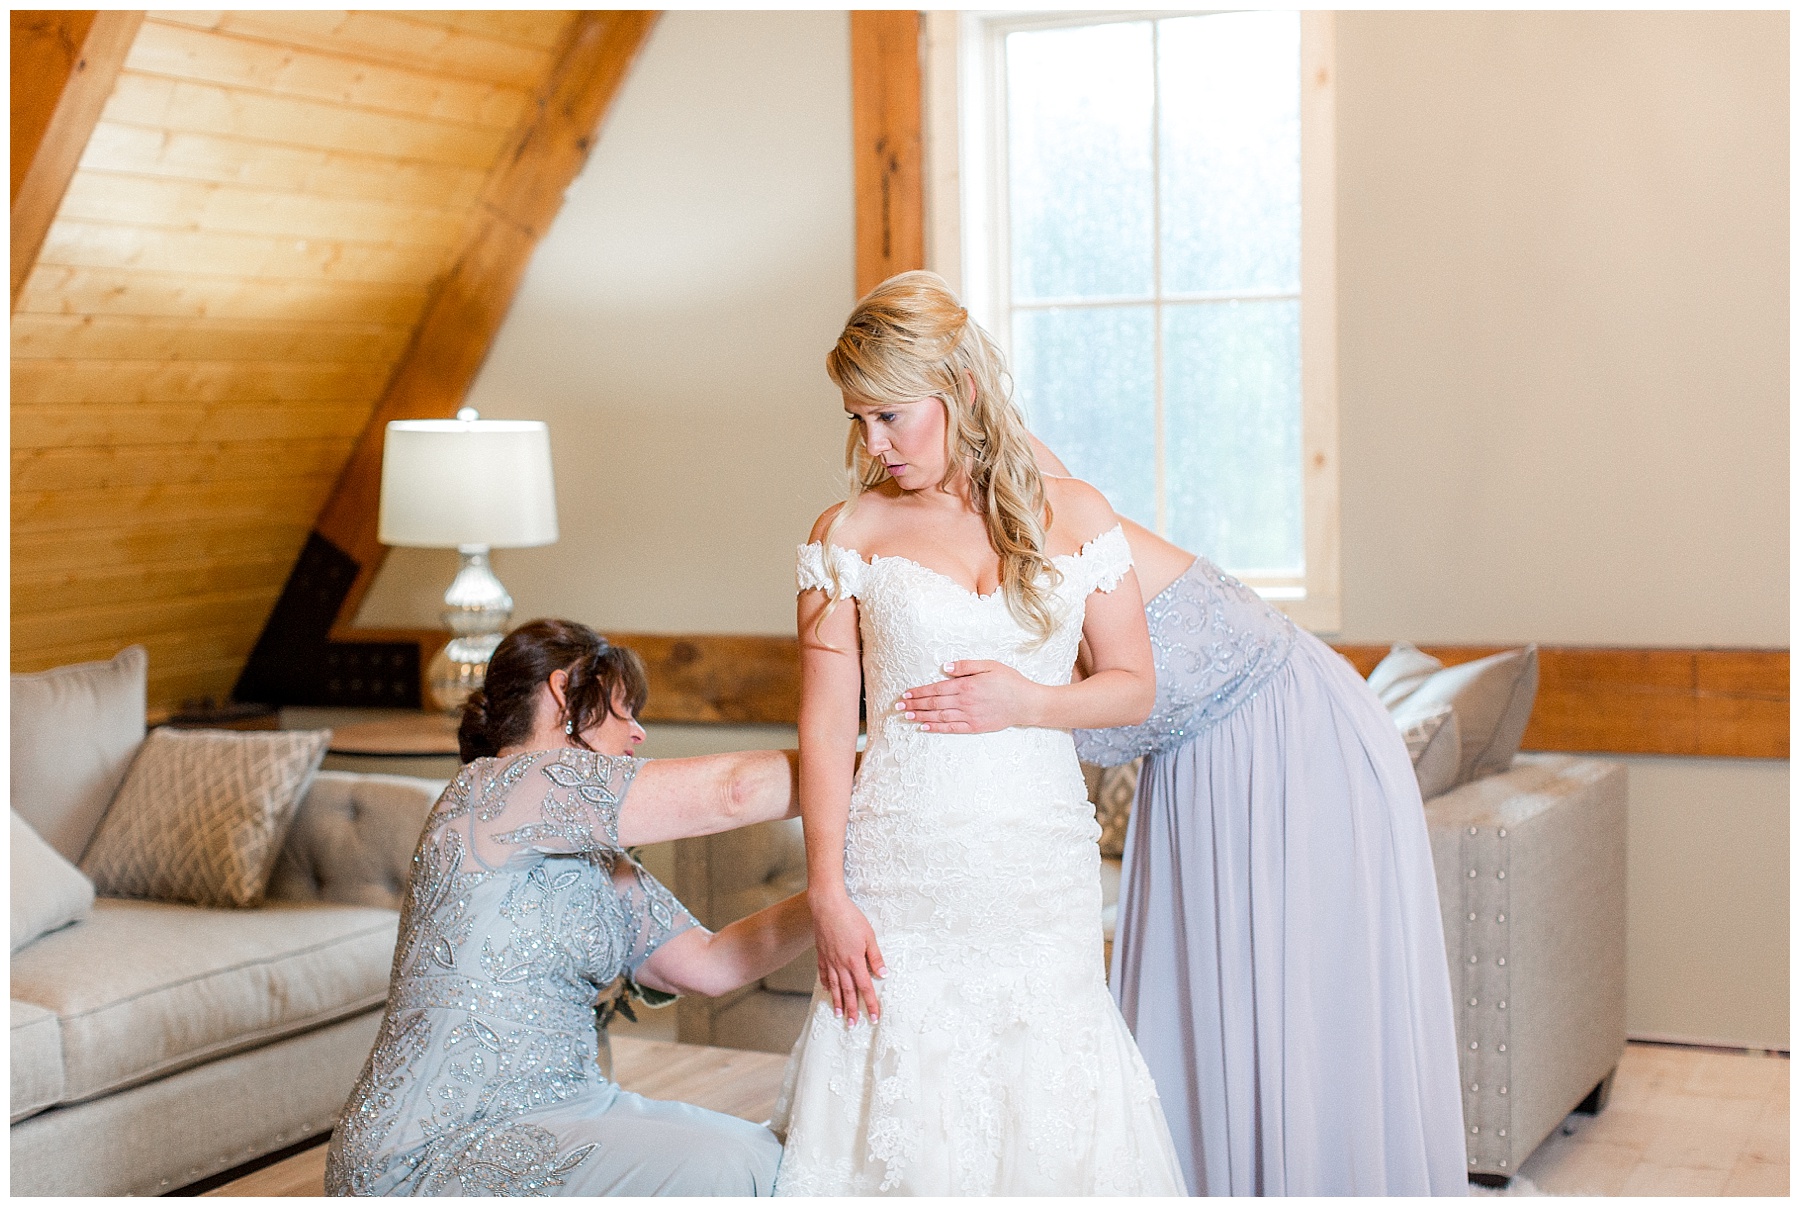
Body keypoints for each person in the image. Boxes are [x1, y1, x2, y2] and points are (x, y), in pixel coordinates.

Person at [769, 271, 1187, 1196]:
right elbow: (829, 723)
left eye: (890, 416)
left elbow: (1132, 688)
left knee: (1052, 1089)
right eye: (858, 420)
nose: (873, 445)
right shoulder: (847, 533)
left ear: (956, 388)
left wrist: (1029, 701)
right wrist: (827, 891)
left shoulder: (1073, 514)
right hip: (900, 868)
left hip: (1037, 868)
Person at [1031, 441, 1469, 1195]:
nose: (880, 447)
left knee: (1309, 1015)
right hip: (1193, 767)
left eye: (895, 416)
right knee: (1201, 1033)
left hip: (1291, 739)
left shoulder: (1034, 502)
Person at [325, 620, 814, 1196]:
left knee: (769, 1158)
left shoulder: (601, 861)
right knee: (743, 1166)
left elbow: (712, 964)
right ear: (563, 692)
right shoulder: (500, 788)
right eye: (624, 711)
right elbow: (733, 792)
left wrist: (838, 892)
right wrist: (889, 775)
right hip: (431, 1146)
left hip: (569, 1111)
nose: (639, 734)